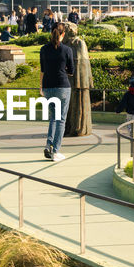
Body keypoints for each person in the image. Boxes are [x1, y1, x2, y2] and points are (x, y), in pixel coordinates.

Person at [39, 23, 75, 162]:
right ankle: (56, 151)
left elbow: (42, 70)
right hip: (62, 86)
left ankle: (49, 145)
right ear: (63, 34)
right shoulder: (67, 50)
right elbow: (71, 70)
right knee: (61, 120)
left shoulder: (43, 49)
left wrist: (41, 87)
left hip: (48, 86)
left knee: (53, 117)